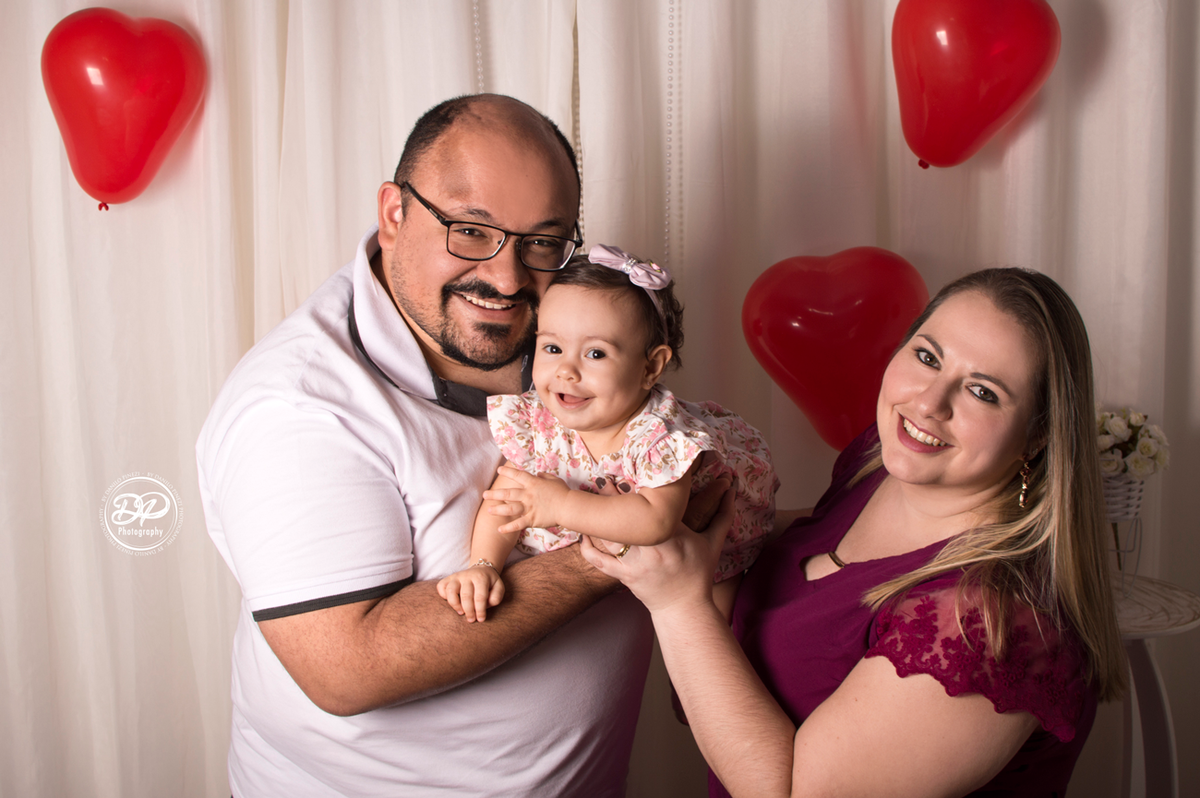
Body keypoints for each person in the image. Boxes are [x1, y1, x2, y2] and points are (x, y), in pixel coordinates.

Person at [197, 94, 720, 797]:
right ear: (393, 214)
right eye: (471, 231)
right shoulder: (298, 407)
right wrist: (624, 548)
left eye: (541, 243)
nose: (506, 279)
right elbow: (348, 667)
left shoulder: (558, 330)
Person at [583, 268, 1126, 797]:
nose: (928, 404)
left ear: (1036, 438)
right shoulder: (882, 463)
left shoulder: (990, 620)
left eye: (982, 392)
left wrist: (680, 604)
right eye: (927, 356)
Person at [436, 246, 778, 622]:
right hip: (604, 586)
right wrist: (484, 564)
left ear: (650, 367)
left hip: (717, 548)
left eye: (595, 354)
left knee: (713, 628)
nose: (567, 370)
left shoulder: (658, 437)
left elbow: (656, 521)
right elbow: (505, 501)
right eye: (552, 347)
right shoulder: (540, 421)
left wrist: (559, 506)